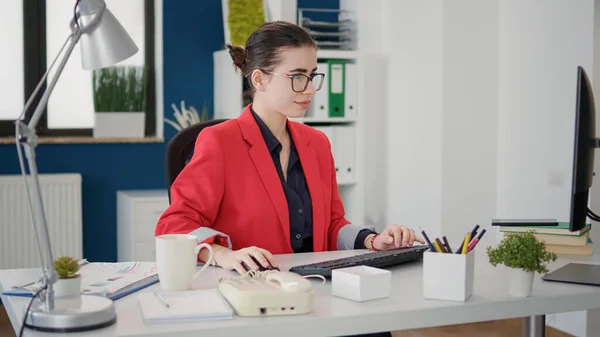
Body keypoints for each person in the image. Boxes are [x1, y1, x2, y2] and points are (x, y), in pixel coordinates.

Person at [155, 21, 425, 275]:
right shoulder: (219, 141)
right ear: (259, 80)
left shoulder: (316, 143)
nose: (309, 89)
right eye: (297, 77)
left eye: (312, 76)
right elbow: (174, 225)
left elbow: (331, 225)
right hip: (254, 288)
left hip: (316, 285)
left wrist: (372, 240)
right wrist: (221, 254)